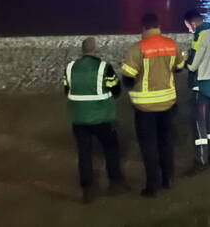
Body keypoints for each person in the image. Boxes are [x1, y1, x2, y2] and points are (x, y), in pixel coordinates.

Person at [120, 13, 187, 197]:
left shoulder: (137, 49)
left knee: (149, 146)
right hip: (168, 104)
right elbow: (180, 68)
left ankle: (152, 185)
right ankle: (168, 178)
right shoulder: (171, 45)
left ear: (143, 28)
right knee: (166, 142)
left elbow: (127, 79)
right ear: (158, 26)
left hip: (145, 108)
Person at [62, 37, 129, 203]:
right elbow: (116, 89)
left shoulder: (70, 68)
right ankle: (115, 182)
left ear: (82, 50)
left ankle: (87, 189)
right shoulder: (103, 67)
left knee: (84, 154)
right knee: (111, 148)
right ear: (95, 50)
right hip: (102, 118)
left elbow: (66, 89)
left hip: (79, 118)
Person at [182, 9, 210, 173]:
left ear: (193, 23)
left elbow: (193, 65)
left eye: (188, 27)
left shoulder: (199, 37)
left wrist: (185, 59)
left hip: (201, 85)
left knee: (200, 124)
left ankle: (201, 160)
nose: (189, 30)